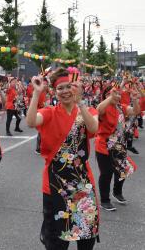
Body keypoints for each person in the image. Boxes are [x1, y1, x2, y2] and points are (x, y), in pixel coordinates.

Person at [26, 68, 100, 250]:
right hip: (54, 183)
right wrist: (36, 93)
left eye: (69, 87)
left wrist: (80, 102)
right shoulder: (50, 112)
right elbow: (31, 121)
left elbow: (94, 128)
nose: (65, 91)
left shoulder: (88, 110)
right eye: (60, 88)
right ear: (54, 91)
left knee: (86, 238)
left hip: (82, 182)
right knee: (57, 240)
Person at [95, 84, 141, 211]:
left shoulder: (121, 107)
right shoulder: (104, 107)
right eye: (112, 93)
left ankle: (117, 192)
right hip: (104, 145)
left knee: (123, 169)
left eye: (118, 93)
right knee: (106, 173)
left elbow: (136, 111)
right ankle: (104, 200)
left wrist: (135, 99)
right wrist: (111, 97)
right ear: (106, 95)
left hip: (119, 145)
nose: (117, 96)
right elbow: (98, 110)